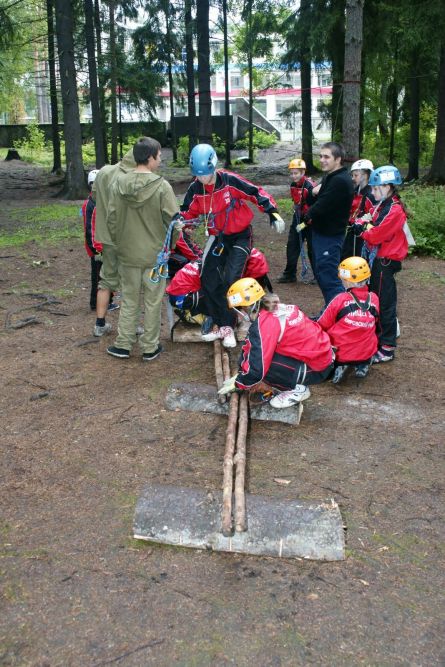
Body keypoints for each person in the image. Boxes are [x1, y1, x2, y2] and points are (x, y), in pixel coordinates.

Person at [179, 143, 285, 349]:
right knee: (208, 277)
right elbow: (187, 211)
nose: (202, 179)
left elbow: (254, 192)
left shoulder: (228, 180)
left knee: (230, 279)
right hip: (217, 237)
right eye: (198, 175)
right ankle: (222, 324)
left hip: (240, 236)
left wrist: (272, 211)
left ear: (213, 167)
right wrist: (183, 223)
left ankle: (229, 323)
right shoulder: (195, 189)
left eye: (205, 174)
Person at [106, 136, 180, 361]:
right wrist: (170, 246)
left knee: (129, 299)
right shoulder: (162, 186)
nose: (161, 159)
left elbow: (111, 219)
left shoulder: (118, 184)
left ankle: (123, 344)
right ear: (150, 158)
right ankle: (149, 347)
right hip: (155, 256)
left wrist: (120, 242)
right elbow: (174, 223)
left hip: (127, 253)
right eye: (159, 155)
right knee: (153, 301)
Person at [218, 278, 335, 409]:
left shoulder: (265, 323)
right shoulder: (275, 307)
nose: (239, 315)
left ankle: (298, 390)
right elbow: (251, 347)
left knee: (263, 367)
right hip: (324, 357)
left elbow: (257, 368)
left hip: (317, 368)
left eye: (239, 309)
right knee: (256, 359)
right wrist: (243, 371)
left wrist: (241, 382)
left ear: (247, 306)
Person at [351, 165, 408, 363]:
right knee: (376, 299)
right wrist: (363, 225)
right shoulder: (381, 206)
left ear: (387, 187)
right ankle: (378, 338)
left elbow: (375, 234)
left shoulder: (394, 210)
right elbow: (365, 221)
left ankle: (387, 347)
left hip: (385, 262)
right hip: (377, 260)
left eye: (376, 188)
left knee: (384, 303)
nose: (373, 192)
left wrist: (362, 228)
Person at [303, 142, 354, 305]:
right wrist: (312, 192)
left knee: (329, 277)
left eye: (326, 157)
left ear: (338, 159)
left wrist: (308, 214)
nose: (322, 160)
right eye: (320, 156)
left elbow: (319, 206)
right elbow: (310, 199)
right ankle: (331, 310)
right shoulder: (330, 177)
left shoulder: (340, 180)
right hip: (321, 234)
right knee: (322, 274)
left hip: (330, 237)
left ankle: (341, 311)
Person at [91, 148, 136, 337]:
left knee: (106, 280)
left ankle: (99, 324)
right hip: (127, 237)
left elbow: (94, 196)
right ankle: (129, 327)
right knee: (130, 282)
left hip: (106, 237)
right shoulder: (133, 178)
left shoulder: (104, 172)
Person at [317, 256, 379, 383]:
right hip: (366, 352)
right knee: (368, 333)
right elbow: (376, 321)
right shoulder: (374, 298)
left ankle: (340, 365)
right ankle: (363, 364)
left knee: (321, 332)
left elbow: (322, 324)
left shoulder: (340, 299)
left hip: (341, 353)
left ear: (348, 282)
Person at [277, 158, 314, 284]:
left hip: (310, 220)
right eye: (292, 173)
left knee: (312, 248)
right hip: (298, 217)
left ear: (303, 172)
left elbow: (315, 206)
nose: (293, 176)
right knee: (292, 244)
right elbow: (296, 201)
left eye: (296, 173)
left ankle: (317, 275)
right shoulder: (293, 185)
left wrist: (306, 221)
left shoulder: (309, 186)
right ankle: (290, 274)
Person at [341, 159, 376, 260]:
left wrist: (362, 224)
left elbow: (374, 216)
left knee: (359, 259)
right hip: (352, 230)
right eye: (352, 175)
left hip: (363, 234)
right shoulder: (356, 191)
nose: (353, 178)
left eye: (356, 175)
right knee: (345, 256)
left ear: (365, 175)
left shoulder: (371, 195)